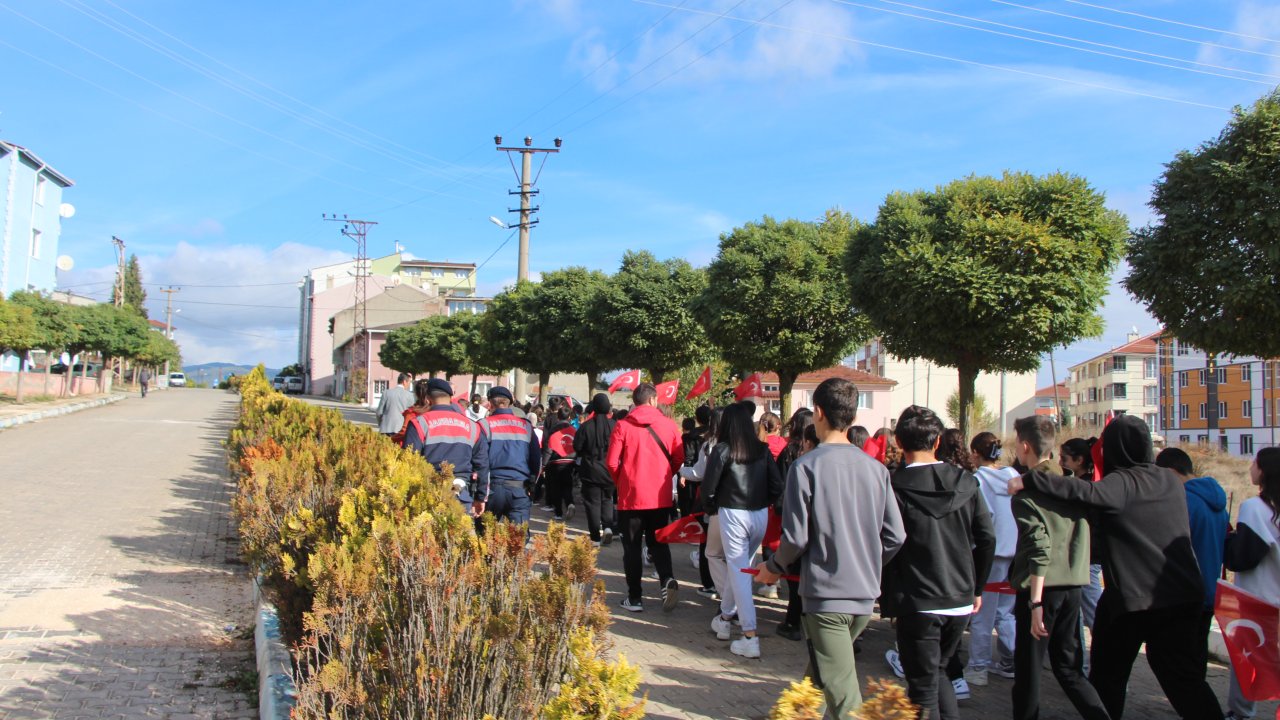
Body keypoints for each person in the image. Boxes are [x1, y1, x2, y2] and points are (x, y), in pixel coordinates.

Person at [1009, 415, 1221, 720]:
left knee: (1108, 676)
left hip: (1135, 600)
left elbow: (1084, 493)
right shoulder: (1169, 481)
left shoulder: (1121, 483)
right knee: (1183, 680)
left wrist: (1029, 479)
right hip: (1181, 595)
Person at [756, 378, 905, 719]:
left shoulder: (805, 467)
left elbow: (795, 538)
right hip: (864, 596)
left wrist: (773, 567)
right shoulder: (877, 470)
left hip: (826, 597)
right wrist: (867, 561)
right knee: (821, 676)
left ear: (818, 413)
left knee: (844, 695)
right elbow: (895, 535)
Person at [882, 405, 995, 720]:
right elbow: (986, 539)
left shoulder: (893, 485)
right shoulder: (966, 481)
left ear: (899, 443)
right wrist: (977, 588)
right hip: (958, 596)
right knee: (940, 672)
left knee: (922, 688)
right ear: (936, 442)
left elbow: (885, 539)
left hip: (917, 599)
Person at [1008, 416, 1109, 720]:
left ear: (1024, 446)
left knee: (1028, 674)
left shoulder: (1027, 495)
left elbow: (1039, 548)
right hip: (1074, 586)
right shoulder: (1073, 486)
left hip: (1040, 590)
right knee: (1068, 668)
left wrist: (1036, 601)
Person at [702, 403, 784, 658]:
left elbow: (708, 487)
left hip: (732, 512)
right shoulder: (762, 449)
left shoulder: (723, 450)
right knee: (743, 568)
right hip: (759, 514)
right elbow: (776, 484)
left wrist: (712, 507)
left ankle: (750, 635)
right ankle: (725, 618)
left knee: (739, 571)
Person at [606, 383, 684, 613]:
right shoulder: (669, 426)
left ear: (636, 401)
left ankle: (635, 597)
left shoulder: (622, 425)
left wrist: (623, 480)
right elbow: (678, 457)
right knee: (659, 543)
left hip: (631, 496)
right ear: (653, 400)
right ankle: (666, 579)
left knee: (631, 548)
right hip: (659, 496)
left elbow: (611, 462)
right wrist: (666, 472)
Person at [1156, 446, 1229, 689]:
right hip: (1209, 590)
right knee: (1197, 658)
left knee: (1178, 662)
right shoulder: (1217, 501)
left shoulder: (1184, 502)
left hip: (1185, 592)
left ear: (1171, 472)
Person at [1222, 448, 1280, 720]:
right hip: (1275, 601)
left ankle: (1240, 714)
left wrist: (1227, 537)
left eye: (1255, 462)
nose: (1250, 467)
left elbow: (1241, 558)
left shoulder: (1255, 509)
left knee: (1246, 665)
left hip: (1257, 604)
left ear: (1265, 471)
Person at [964, 432, 1020, 686]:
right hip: (1015, 553)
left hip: (990, 555)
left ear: (976, 453)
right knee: (1005, 613)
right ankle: (1011, 659)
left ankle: (978, 667)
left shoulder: (977, 481)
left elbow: (982, 521)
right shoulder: (1012, 477)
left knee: (983, 615)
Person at [403, 378, 489, 516]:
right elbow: (483, 465)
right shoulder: (473, 427)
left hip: (429, 493)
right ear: (451, 398)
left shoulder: (419, 423)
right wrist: (480, 497)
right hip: (460, 492)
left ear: (427, 399)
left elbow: (409, 462)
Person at [773, 408, 814, 641]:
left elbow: (779, 484)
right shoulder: (818, 454)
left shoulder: (790, 451)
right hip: (817, 518)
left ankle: (793, 619)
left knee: (795, 568)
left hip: (793, 515)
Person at [678, 406, 725, 599]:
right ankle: (730, 590)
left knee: (709, 549)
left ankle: (711, 585)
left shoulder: (711, 445)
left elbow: (699, 473)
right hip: (742, 506)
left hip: (713, 503)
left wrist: (680, 471)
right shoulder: (745, 444)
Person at [477, 386, 540, 529]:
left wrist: (480, 494)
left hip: (491, 489)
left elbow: (480, 461)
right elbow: (537, 460)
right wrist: (531, 484)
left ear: (490, 405)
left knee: (485, 538)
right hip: (519, 489)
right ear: (509, 404)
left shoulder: (483, 425)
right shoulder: (527, 426)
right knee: (517, 540)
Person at [573, 393, 617, 547]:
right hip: (610, 470)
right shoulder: (615, 425)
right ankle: (608, 527)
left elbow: (577, 447)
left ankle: (595, 538)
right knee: (607, 500)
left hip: (590, 470)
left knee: (593, 503)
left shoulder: (586, 426)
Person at [542, 406, 578, 521]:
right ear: (569, 417)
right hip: (570, 461)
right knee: (567, 485)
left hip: (555, 461)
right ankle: (570, 503)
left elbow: (549, 448)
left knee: (555, 488)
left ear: (558, 416)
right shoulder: (573, 430)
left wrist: (544, 464)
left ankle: (558, 513)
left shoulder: (553, 430)